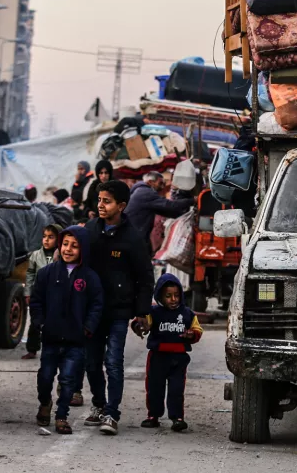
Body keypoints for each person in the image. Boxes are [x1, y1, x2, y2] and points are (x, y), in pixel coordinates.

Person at [80, 180, 154, 435]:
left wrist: (143, 312)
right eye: (99, 200)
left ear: (121, 206)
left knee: (113, 362)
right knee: (91, 362)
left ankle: (112, 413)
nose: (101, 205)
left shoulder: (133, 239)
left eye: (107, 201)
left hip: (119, 312)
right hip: (92, 312)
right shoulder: (89, 231)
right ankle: (98, 405)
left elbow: (145, 277)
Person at [30, 226, 103, 435]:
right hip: (51, 338)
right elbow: (36, 301)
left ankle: (62, 416)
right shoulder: (47, 273)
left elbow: (97, 305)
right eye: (65, 244)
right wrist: (40, 323)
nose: (68, 249)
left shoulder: (89, 277)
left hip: (76, 341)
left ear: (83, 249)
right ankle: (45, 403)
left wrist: (88, 328)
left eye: (74, 246)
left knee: (68, 380)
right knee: (45, 377)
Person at [133, 273, 202, 432]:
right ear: (160, 296)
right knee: (154, 388)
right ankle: (153, 416)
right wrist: (140, 326)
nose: (173, 299)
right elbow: (142, 322)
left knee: (176, 390)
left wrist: (192, 334)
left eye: (176, 295)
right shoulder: (154, 312)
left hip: (179, 359)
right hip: (158, 357)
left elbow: (197, 329)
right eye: (168, 296)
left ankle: (177, 418)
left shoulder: (187, 314)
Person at [125, 172, 195, 250]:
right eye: (160, 183)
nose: (162, 187)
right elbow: (170, 206)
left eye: (163, 184)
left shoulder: (139, 191)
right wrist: (192, 200)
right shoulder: (145, 192)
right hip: (135, 238)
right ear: (150, 182)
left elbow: (167, 211)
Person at [23, 223, 62, 360]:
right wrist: (28, 292)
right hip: (39, 294)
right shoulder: (35, 255)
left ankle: (53, 349)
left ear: (58, 239)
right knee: (35, 322)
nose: (46, 240)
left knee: (54, 322)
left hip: (56, 294)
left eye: (51, 237)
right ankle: (32, 349)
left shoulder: (62, 255)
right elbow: (30, 274)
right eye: (44, 236)